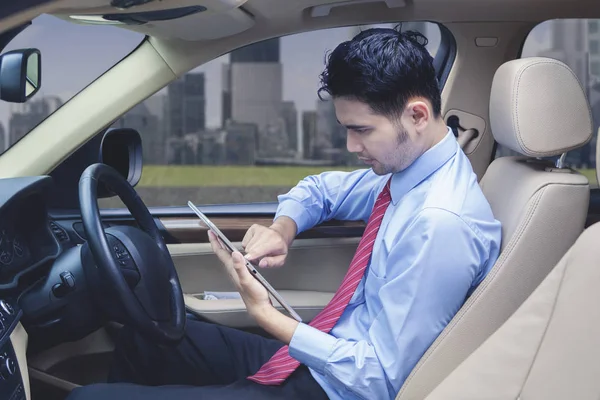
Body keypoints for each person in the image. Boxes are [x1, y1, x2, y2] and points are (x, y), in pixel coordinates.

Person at [67, 27, 501, 400]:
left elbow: (379, 380)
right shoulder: (410, 171)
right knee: (142, 342)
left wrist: (270, 319)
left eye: (361, 130)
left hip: (336, 389)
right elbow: (321, 191)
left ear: (417, 115)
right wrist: (283, 229)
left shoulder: (439, 222)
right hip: (325, 360)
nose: (351, 146)